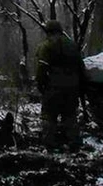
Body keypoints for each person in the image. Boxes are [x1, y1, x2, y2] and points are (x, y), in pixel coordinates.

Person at [35, 19, 86, 149]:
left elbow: (42, 68)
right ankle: (74, 145)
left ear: (48, 32)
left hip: (53, 87)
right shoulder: (73, 45)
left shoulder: (46, 46)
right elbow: (82, 68)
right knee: (70, 117)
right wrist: (81, 87)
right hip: (72, 88)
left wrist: (41, 85)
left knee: (49, 117)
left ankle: (49, 147)